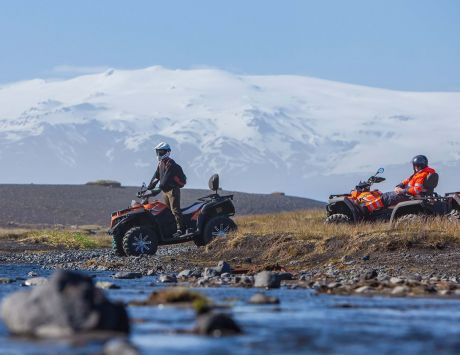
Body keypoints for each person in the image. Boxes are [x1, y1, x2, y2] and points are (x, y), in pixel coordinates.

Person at [147, 142, 187, 236]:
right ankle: (172, 229)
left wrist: (157, 189)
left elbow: (165, 179)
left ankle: (181, 229)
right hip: (165, 190)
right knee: (167, 210)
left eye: (161, 152)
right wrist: (148, 188)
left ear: (167, 152)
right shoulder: (160, 163)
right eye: (158, 152)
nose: (159, 154)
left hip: (173, 190)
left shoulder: (170, 163)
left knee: (175, 210)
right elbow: (156, 177)